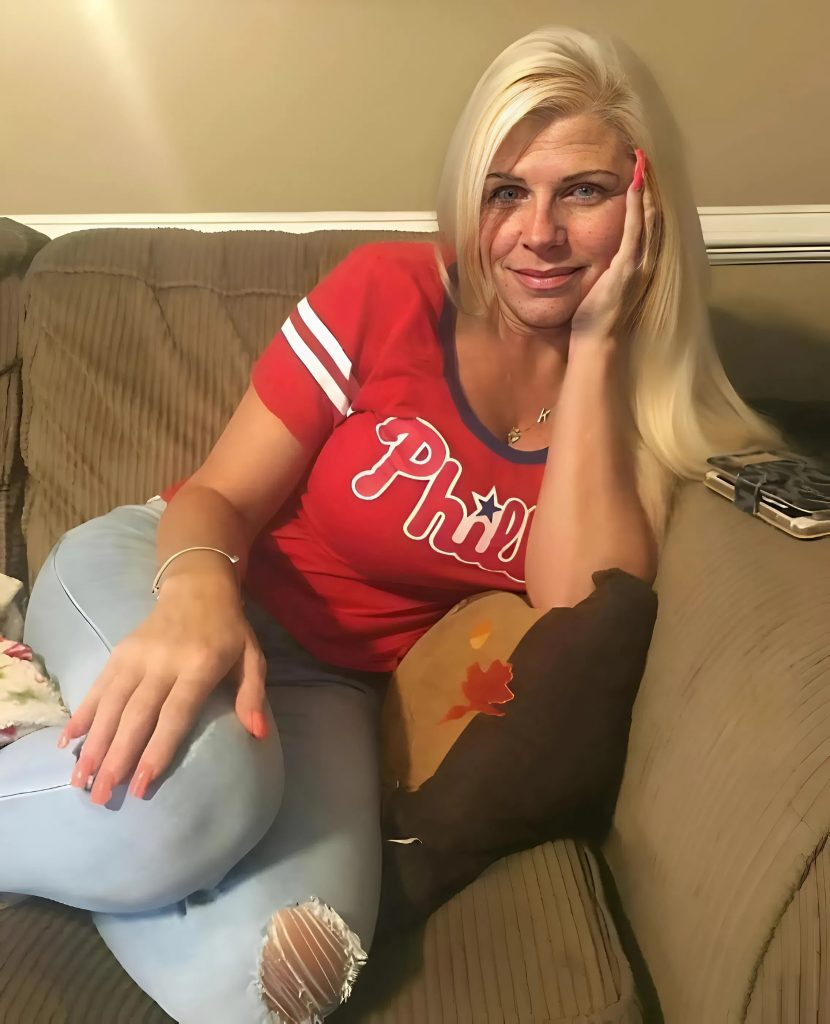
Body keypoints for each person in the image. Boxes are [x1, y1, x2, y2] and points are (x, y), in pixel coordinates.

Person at [1, 24, 781, 1024]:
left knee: (294, 976)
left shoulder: (642, 409)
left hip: (334, 688)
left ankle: (82, 818)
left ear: (643, 203)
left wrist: (593, 349)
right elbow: (217, 496)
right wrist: (196, 599)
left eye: (582, 192)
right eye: (505, 192)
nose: (538, 232)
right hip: (174, 572)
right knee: (200, 796)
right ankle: (123, 814)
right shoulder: (390, 295)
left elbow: (573, 605)